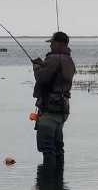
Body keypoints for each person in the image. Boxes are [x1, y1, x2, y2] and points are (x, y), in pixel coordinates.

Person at [32, 31, 76, 173]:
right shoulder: (69, 60)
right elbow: (57, 77)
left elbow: (42, 79)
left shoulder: (54, 59)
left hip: (50, 110)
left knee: (47, 148)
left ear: (60, 43)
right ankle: (58, 180)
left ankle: (48, 182)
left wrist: (37, 66)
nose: (50, 45)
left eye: (52, 42)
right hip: (62, 109)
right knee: (58, 147)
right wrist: (43, 65)